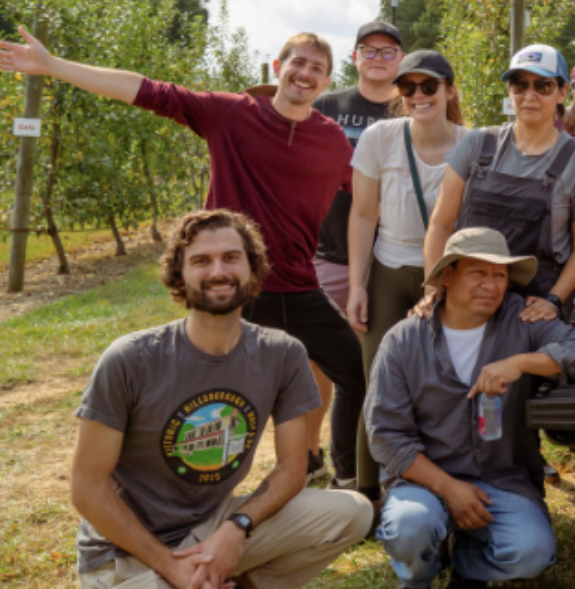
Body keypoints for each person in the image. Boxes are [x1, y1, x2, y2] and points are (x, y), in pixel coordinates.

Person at [0, 25, 368, 497]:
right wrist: (54, 67)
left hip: (299, 286)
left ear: (325, 82)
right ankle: (184, 485)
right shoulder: (231, 114)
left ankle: (347, 475)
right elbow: (149, 91)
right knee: (216, 393)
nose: (306, 73)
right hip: (233, 288)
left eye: (318, 68)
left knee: (358, 372)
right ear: (278, 68)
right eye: (297, 62)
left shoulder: (333, 139)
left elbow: (369, 198)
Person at [71, 210, 373, 589]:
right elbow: (87, 489)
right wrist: (168, 562)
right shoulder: (130, 360)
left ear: (253, 270)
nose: (218, 270)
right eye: (201, 260)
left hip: (211, 529)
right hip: (127, 550)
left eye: (231, 257)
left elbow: (293, 466)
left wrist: (237, 529)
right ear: (178, 275)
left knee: (350, 512)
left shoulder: (280, 354)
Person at [365, 228, 575, 589]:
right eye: (478, 273)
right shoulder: (403, 340)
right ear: (448, 277)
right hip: (425, 482)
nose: (491, 286)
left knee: (531, 554)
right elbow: (386, 438)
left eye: (500, 275)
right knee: (410, 524)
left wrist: (523, 362)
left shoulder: (521, 319)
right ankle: (417, 581)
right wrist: (449, 489)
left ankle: (466, 565)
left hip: (501, 478)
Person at [346, 49, 470, 511]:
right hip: (389, 271)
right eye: (408, 88)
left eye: (429, 86)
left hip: (448, 276)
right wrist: (357, 285)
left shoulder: (472, 143)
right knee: (376, 378)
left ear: (449, 91)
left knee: (448, 378)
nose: (418, 96)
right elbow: (362, 214)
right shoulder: (379, 138)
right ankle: (364, 493)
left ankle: (446, 481)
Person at [423, 44, 575, 322]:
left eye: (543, 86)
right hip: (467, 302)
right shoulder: (477, 145)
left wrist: (553, 301)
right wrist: (433, 289)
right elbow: (440, 223)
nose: (529, 96)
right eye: (519, 85)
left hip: (532, 312)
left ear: (562, 92)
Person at [308, 19, 405, 490]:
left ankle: (379, 466)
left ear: (400, 60)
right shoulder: (328, 106)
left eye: (388, 51)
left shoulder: (411, 104)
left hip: (389, 256)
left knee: (376, 367)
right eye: (369, 49)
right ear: (355, 57)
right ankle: (320, 459)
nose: (378, 58)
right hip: (328, 254)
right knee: (323, 364)